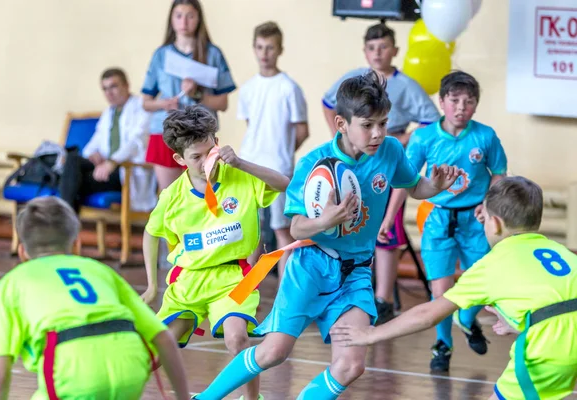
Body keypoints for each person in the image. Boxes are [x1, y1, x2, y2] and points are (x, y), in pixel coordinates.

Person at [192, 71, 460, 400]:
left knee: (350, 365)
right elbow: (296, 228)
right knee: (273, 352)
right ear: (341, 123)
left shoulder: (389, 151)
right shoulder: (314, 164)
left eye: (383, 123)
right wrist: (325, 220)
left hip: (356, 272)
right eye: (367, 125)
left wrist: (435, 186)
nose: (377, 133)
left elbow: (414, 185)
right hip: (311, 267)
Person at [330, 176, 577, 400]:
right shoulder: (562, 253)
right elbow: (559, 301)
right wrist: (521, 323)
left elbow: (427, 315)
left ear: (496, 224)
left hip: (550, 350)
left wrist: (371, 334)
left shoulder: (493, 264)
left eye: (485, 217)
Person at [141, 105, 289, 400]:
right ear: (179, 159)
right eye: (196, 157)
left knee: (238, 338)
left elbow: (284, 183)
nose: (206, 161)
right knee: (159, 347)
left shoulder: (240, 176)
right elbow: (150, 233)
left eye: (210, 151)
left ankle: (251, 399)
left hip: (233, 278)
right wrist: (150, 285)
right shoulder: (172, 197)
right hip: (188, 282)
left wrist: (243, 163)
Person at [0, 196, 189, 400]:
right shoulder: (101, 270)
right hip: (130, 366)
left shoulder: (11, 283)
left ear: (22, 252)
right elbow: (164, 337)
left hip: (73, 370)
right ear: (76, 245)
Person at [322, 23, 440, 322]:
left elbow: (430, 120)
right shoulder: (352, 80)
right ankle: (345, 292)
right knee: (349, 220)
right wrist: (344, 137)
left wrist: (403, 138)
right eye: (372, 48)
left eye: (384, 47)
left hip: (384, 158)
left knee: (387, 229)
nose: (378, 53)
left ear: (395, 51)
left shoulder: (406, 86)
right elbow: (327, 102)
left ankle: (383, 297)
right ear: (365, 51)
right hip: (354, 161)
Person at [401, 70, 508, 372]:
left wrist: (489, 204)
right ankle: (442, 345)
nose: (461, 107)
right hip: (437, 220)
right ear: (442, 101)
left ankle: (467, 319)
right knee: (441, 290)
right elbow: (407, 179)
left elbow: (499, 172)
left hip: (476, 218)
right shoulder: (424, 137)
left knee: (483, 282)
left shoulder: (484, 136)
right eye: (455, 100)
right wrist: (389, 216)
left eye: (469, 101)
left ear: (476, 105)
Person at [237, 21, 309, 278]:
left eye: (270, 47)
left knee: (282, 231)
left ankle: (283, 294)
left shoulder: (289, 88)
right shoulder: (247, 89)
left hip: (278, 168)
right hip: (248, 166)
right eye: (260, 47)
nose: (264, 53)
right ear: (254, 49)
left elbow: (302, 130)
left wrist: (283, 151)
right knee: (251, 231)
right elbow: (252, 125)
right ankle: (245, 290)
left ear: (279, 50)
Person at [141, 0, 237, 191]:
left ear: (199, 19)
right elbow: (145, 102)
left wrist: (197, 94)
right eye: (179, 16)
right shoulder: (161, 55)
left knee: (202, 194)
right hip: (166, 133)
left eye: (190, 16)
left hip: (200, 134)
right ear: (171, 20)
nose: (184, 21)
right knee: (170, 196)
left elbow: (223, 102)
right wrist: (164, 104)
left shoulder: (212, 53)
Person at [60, 68, 156, 213]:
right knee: (73, 161)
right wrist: (92, 155)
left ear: (126, 85)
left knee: (70, 183)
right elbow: (94, 142)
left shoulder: (142, 107)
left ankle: (65, 225)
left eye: (113, 86)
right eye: (105, 89)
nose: (109, 93)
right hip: (104, 169)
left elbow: (136, 142)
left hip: (126, 171)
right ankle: (67, 223)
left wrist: (112, 162)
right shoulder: (108, 113)